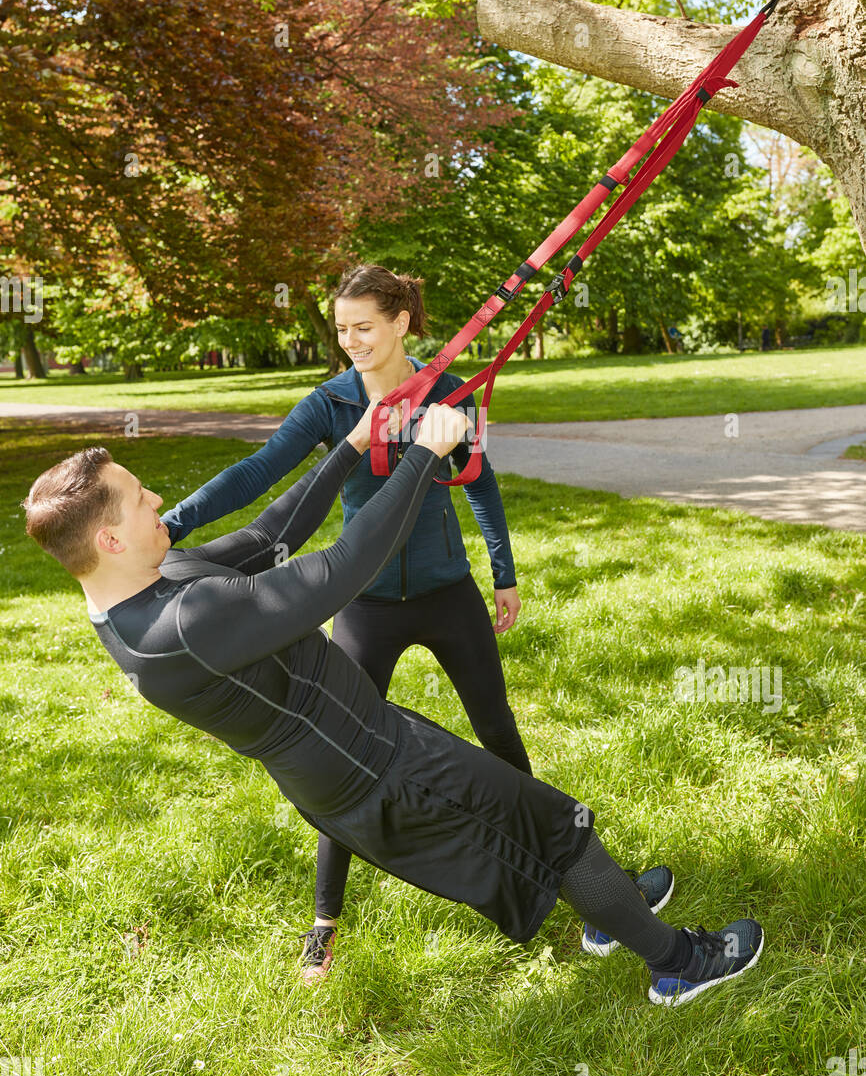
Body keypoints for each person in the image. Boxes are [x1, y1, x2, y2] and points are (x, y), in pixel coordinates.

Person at [22, 403, 764, 1010]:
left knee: (536, 818)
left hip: (369, 741)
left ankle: (612, 914)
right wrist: (425, 454)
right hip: (380, 775)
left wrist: (351, 443)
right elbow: (341, 570)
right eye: (139, 496)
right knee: (560, 828)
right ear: (111, 536)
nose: (157, 499)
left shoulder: (145, 584)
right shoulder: (180, 626)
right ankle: (680, 965)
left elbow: (270, 537)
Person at [161, 265, 532, 981]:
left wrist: (503, 571)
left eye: (365, 327)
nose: (351, 341)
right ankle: (326, 920)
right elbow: (259, 472)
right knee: (340, 759)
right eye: (341, 329)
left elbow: (479, 481)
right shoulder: (330, 403)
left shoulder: (447, 393)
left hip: (448, 591)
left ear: (401, 323)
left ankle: (551, 858)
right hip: (361, 603)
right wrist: (173, 523)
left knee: (495, 727)